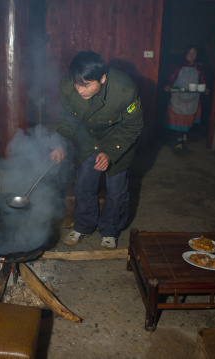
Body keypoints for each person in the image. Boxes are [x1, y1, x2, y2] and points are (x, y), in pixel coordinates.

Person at [51, 51, 143, 249]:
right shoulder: (68, 86)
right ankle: (83, 226)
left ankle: (110, 230)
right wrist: (61, 142)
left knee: (116, 189)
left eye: (86, 85)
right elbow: (67, 118)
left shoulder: (125, 90)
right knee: (84, 185)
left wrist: (110, 151)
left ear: (102, 78)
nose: (80, 90)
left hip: (118, 139)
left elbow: (132, 127)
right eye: (77, 83)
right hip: (88, 137)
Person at [163, 45, 209, 150]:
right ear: (185, 54)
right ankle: (179, 141)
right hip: (178, 97)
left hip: (192, 98)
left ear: (196, 55)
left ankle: (184, 132)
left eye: (194, 53)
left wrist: (205, 88)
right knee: (179, 117)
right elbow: (171, 77)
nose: (191, 55)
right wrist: (168, 85)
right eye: (189, 53)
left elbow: (203, 81)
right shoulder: (178, 66)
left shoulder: (199, 67)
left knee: (188, 119)